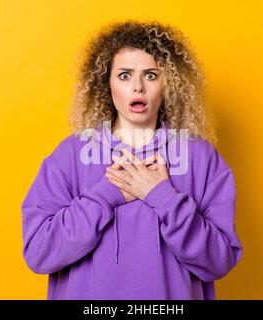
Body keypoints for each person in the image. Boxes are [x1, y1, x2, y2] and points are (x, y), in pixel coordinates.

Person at [21, 20, 243, 300]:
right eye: (124, 75)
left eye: (151, 75)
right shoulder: (70, 156)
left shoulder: (201, 158)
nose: (138, 87)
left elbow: (219, 260)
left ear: (169, 84)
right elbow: (39, 254)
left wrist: (162, 196)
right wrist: (104, 195)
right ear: (107, 83)